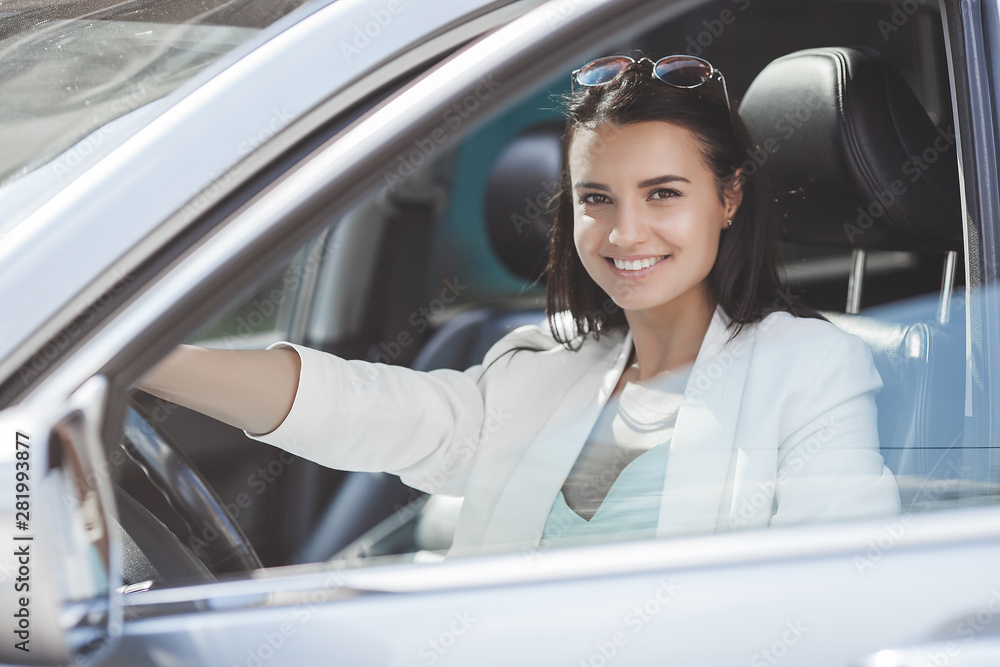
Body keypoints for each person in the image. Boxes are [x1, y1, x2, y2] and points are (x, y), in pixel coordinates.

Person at [136, 54, 900, 559]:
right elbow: (369, 409)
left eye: (663, 193)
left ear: (729, 197)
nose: (625, 232)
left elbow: (840, 598)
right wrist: (140, 361)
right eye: (596, 198)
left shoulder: (810, 371)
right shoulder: (547, 368)